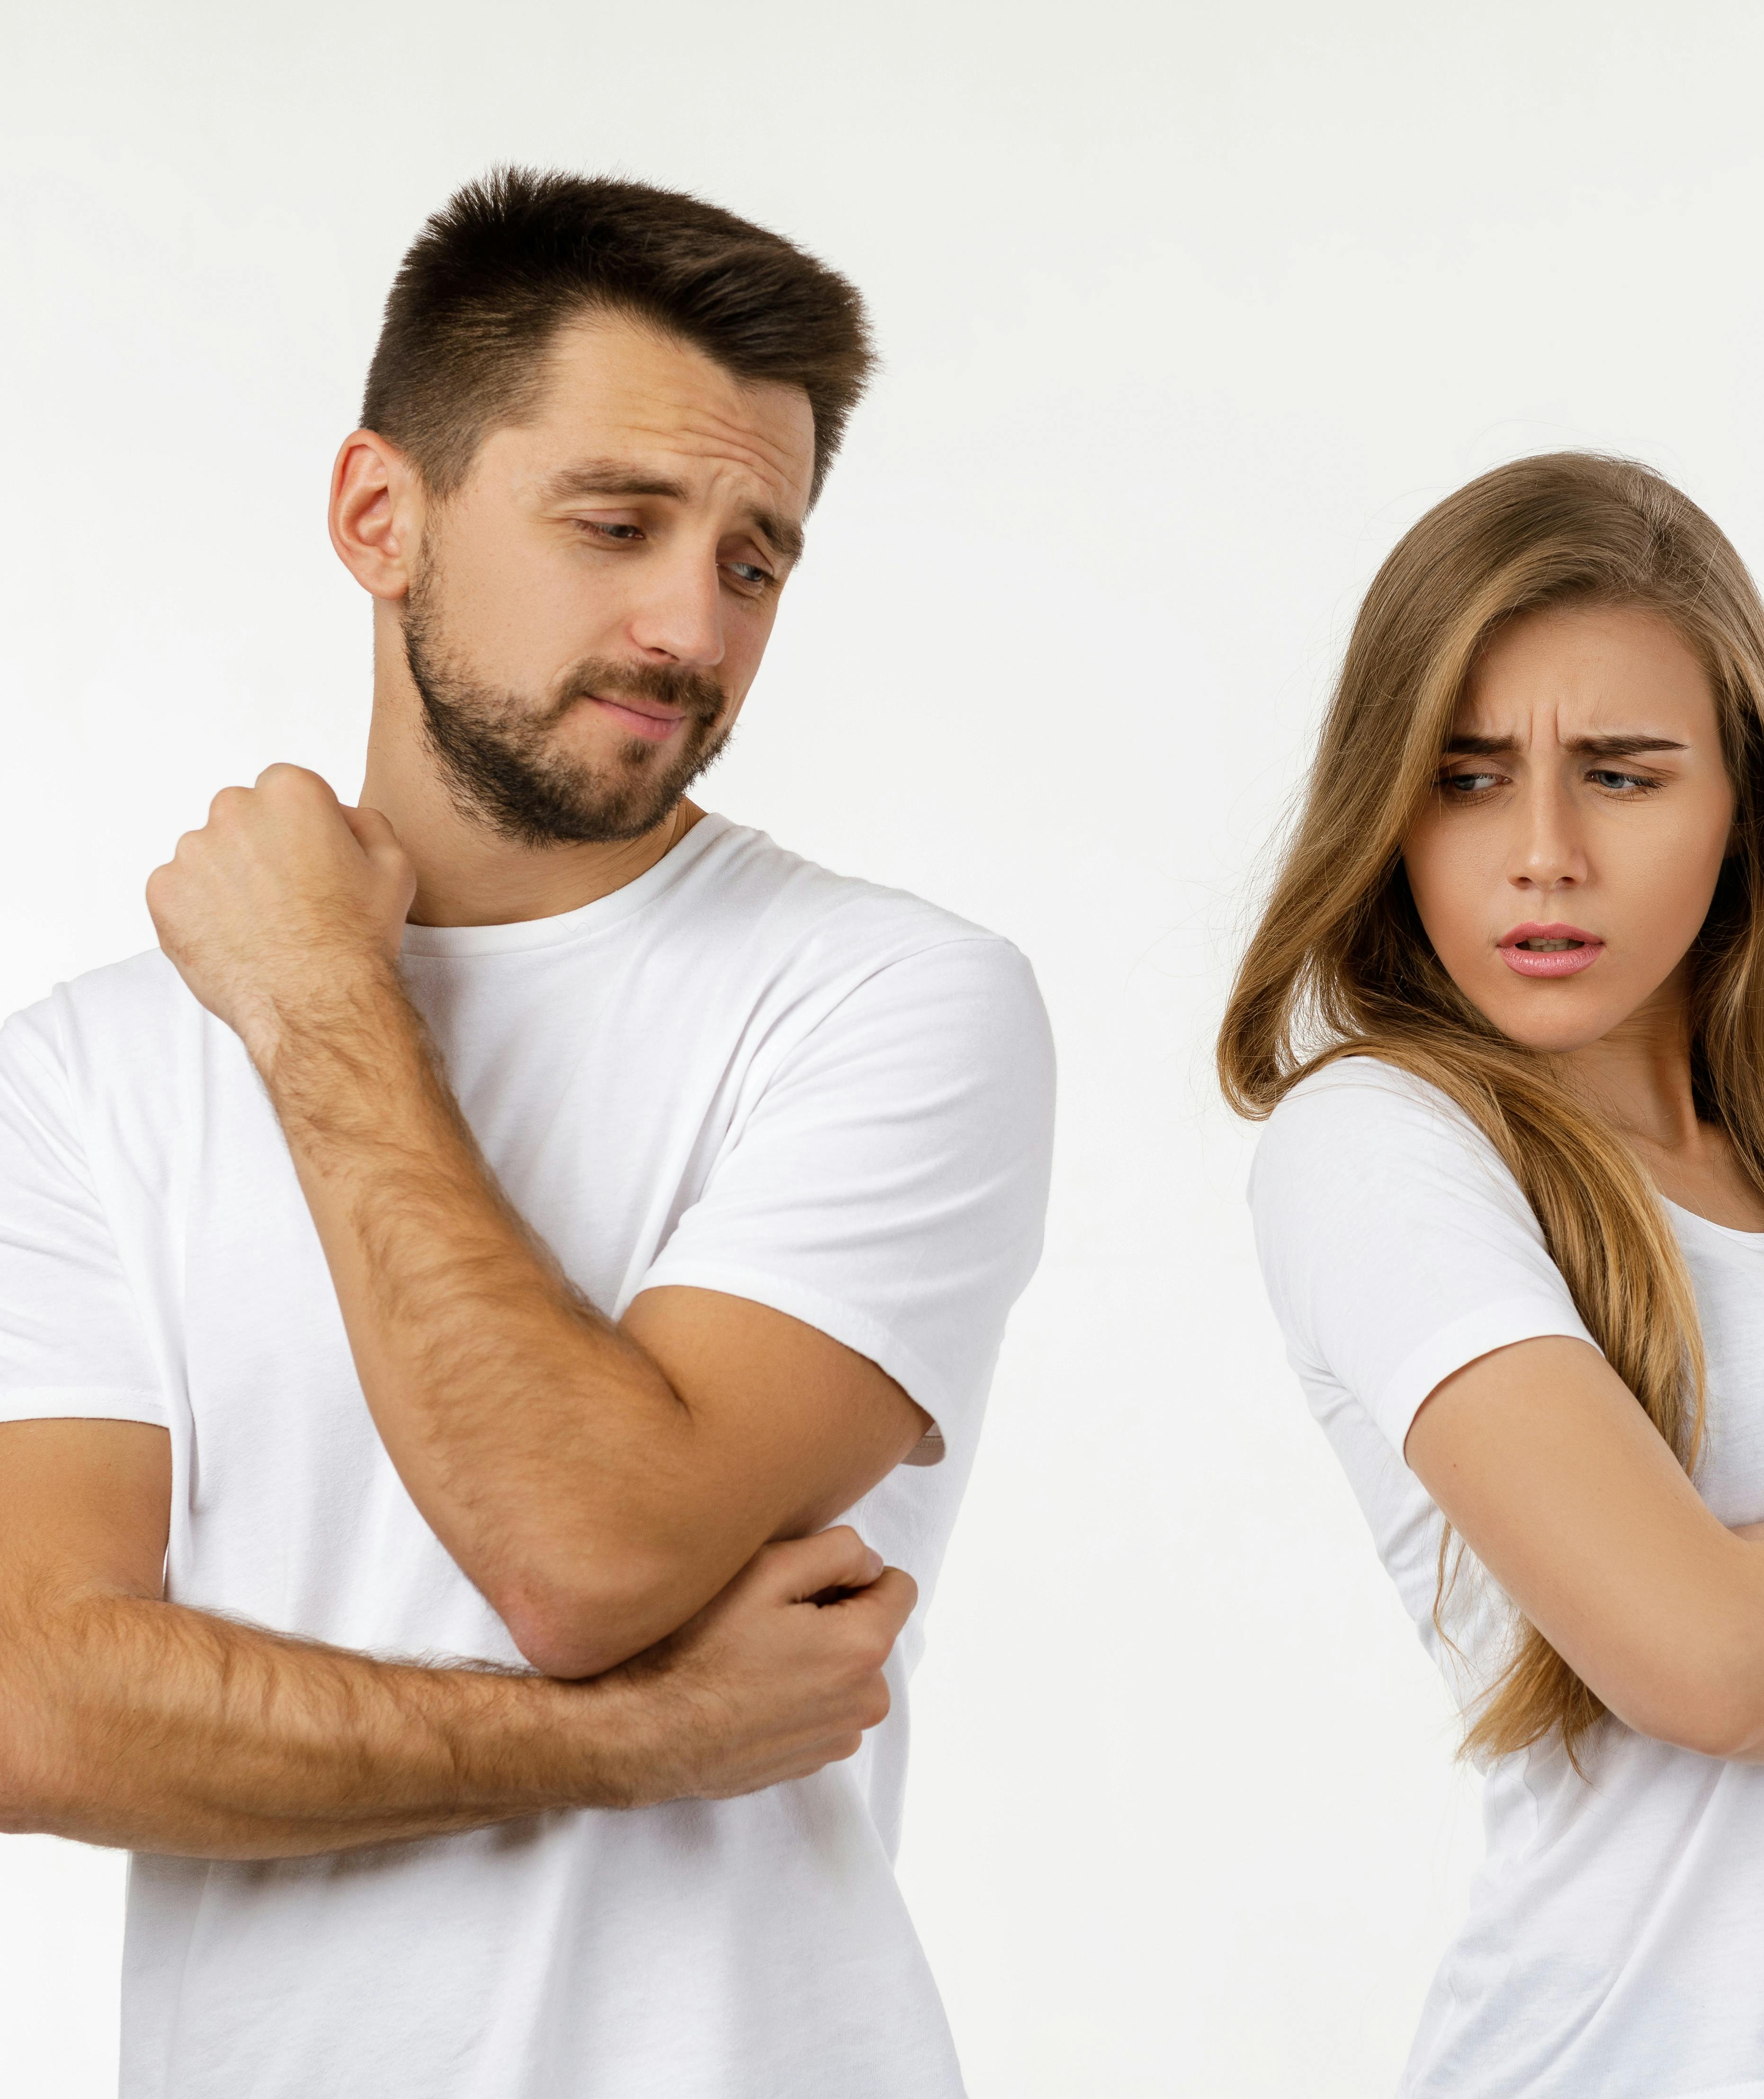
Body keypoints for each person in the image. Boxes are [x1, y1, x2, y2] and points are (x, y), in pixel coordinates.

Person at [0, 169, 1054, 2099]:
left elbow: (586, 1550)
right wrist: (633, 1740)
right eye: (616, 524)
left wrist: (323, 1000)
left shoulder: (890, 1001)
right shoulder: (87, 1074)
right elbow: (28, 1706)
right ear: (377, 515)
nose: (690, 623)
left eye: (756, 557)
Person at [1222, 452, 1764, 2097]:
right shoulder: (1381, 1141)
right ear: (1390, 805)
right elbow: (1709, 1667)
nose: (1545, 853)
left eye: (1625, 777)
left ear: (1744, 807)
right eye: (1469, 776)